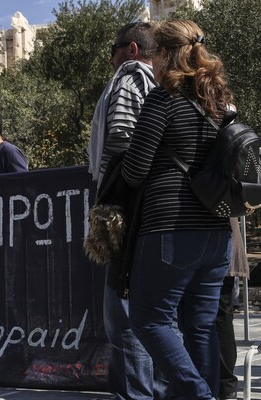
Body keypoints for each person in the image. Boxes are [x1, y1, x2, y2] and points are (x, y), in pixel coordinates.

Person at [121, 20, 234, 399]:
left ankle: (199, 396)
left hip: (171, 228)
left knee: (148, 319)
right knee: (200, 327)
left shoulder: (162, 100)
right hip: (218, 232)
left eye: (154, 53)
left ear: (166, 54)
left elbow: (135, 170)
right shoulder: (220, 102)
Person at [87, 22, 165, 400]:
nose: (111, 59)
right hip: (150, 214)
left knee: (123, 316)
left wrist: (115, 196)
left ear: (132, 49)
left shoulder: (129, 79)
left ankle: (137, 395)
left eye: (114, 50)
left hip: (127, 214)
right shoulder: (164, 82)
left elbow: (121, 140)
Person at [216, 218, 249, 400]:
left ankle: (225, 386)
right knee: (221, 318)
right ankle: (226, 388)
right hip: (224, 243)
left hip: (216, 246)